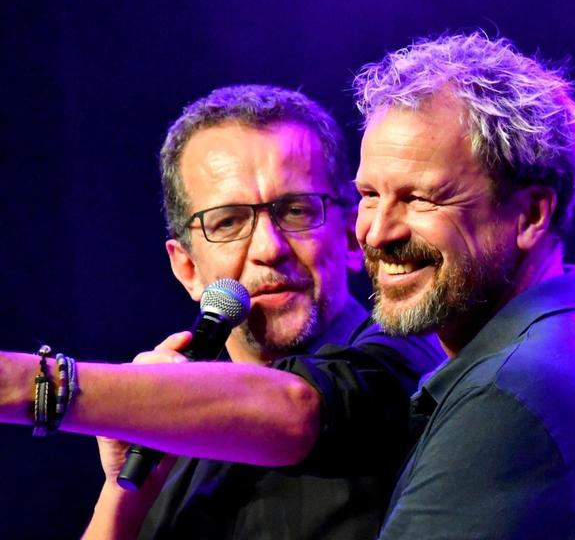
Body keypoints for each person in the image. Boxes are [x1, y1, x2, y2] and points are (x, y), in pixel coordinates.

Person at [0, 85, 442, 539]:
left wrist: (30, 383)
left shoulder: (408, 352)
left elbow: (297, 409)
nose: (269, 248)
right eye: (228, 222)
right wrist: (125, 489)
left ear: (351, 235)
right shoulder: (180, 432)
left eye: (296, 211)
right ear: (187, 268)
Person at [352, 32, 575, 539]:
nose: (378, 232)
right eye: (368, 194)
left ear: (532, 214)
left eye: (421, 199)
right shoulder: (563, 351)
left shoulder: (510, 393)